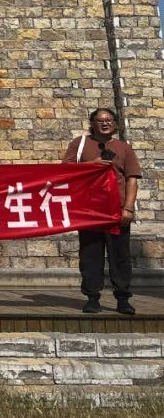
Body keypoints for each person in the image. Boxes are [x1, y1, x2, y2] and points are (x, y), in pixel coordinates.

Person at [63, 107, 141, 315]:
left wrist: (128, 208)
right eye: (100, 120)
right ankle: (92, 297)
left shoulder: (124, 148)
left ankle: (122, 298)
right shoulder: (79, 145)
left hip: (116, 210)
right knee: (90, 255)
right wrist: (92, 164)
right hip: (89, 210)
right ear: (93, 123)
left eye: (109, 120)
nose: (105, 123)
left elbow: (132, 179)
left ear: (115, 124)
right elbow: (65, 171)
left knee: (120, 256)